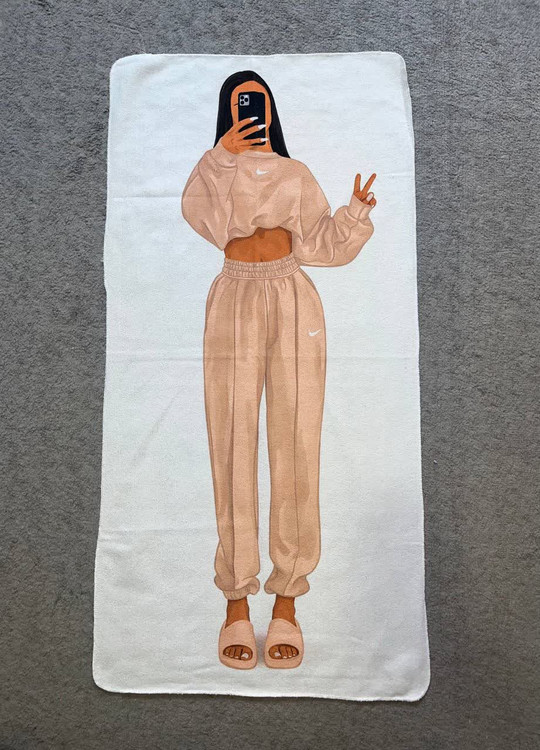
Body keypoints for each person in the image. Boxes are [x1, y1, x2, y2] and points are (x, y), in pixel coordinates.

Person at [181, 70, 376, 670]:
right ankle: (236, 600)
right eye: (243, 105)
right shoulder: (213, 172)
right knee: (231, 441)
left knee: (296, 441)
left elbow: (319, 245)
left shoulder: (295, 174)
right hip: (234, 296)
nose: (253, 114)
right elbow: (202, 219)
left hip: (293, 297)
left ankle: (287, 598)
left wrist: (354, 214)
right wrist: (221, 158)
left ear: (273, 112)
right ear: (228, 112)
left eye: (260, 104)